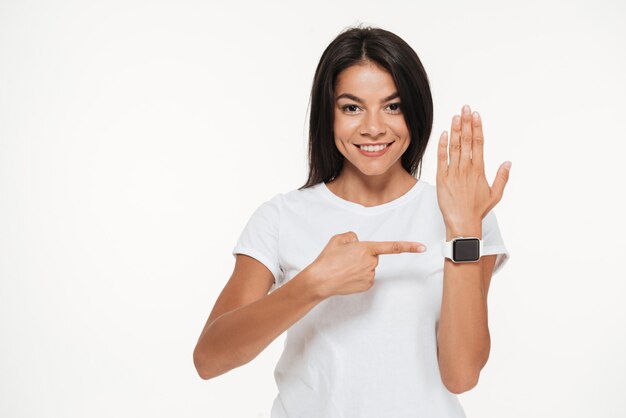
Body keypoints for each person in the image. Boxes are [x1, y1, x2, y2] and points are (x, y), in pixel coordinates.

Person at [193, 25, 512, 418]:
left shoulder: (462, 211)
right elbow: (210, 359)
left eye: (392, 106)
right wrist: (313, 284)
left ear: (415, 110)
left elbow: (461, 375)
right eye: (352, 107)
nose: (373, 127)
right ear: (328, 114)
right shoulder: (281, 217)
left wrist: (463, 230)